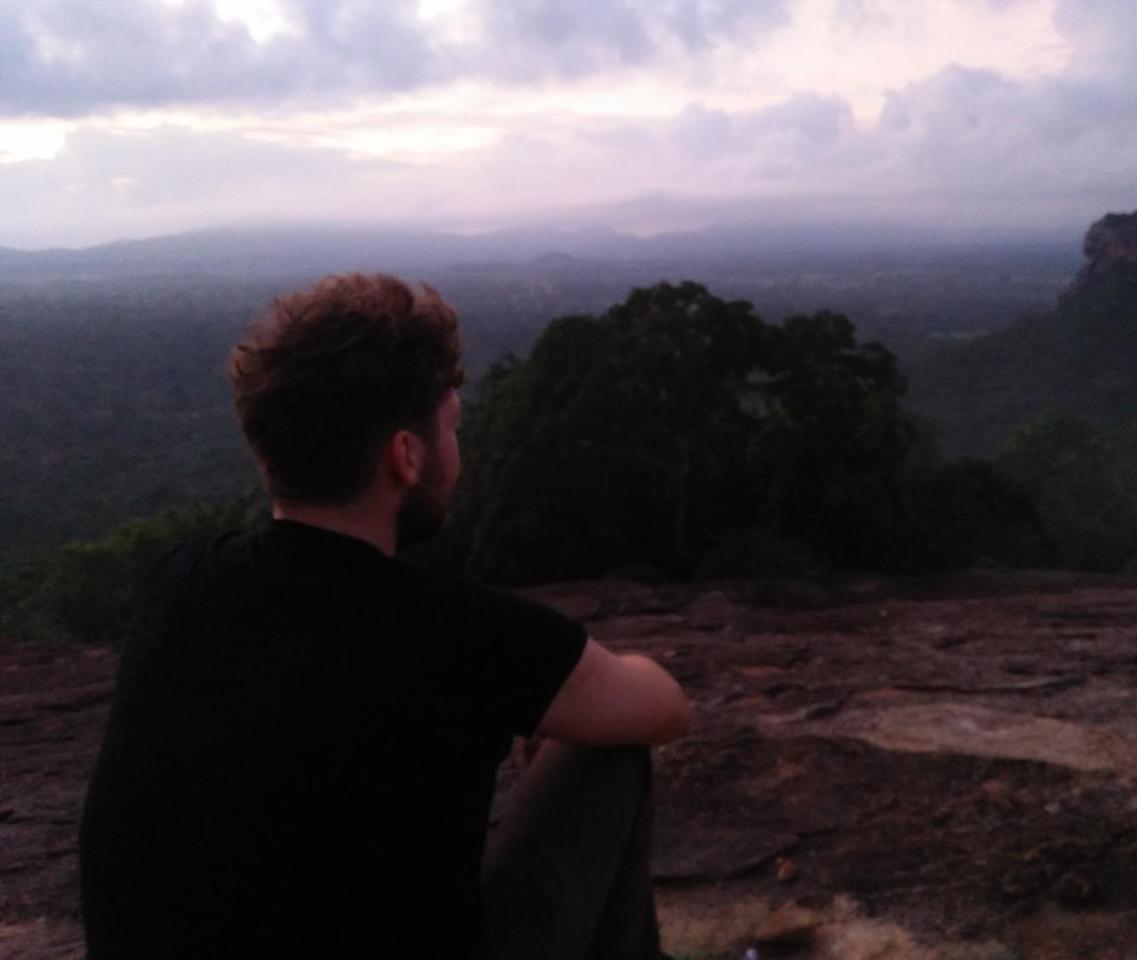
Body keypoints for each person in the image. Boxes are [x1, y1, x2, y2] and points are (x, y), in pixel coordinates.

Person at [78, 273, 692, 959]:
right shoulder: (452, 632)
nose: (459, 451)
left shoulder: (178, 585)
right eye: (452, 428)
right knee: (606, 751)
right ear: (405, 455)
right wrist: (576, 699)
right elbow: (662, 708)